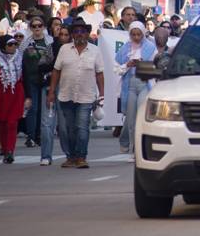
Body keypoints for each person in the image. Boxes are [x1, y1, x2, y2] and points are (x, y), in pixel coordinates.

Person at [47, 17, 105, 168]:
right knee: (67, 130)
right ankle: (70, 156)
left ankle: (81, 157)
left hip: (86, 96)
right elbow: (56, 71)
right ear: (72, 34)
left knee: (82, 127)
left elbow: (99, 74)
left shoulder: (95, 51)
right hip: (66, 95)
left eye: (82, 31)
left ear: (87, 34)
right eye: (76, 31)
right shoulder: (64, 49)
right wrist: (51, 92)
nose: (79, 34)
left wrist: (102, 95)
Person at [0, 35, 32, 163]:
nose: (13, 47)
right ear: (3, 46)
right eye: (10, 44)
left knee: (12, 122)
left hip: (16, 92)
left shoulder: (20, 58)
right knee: (2, 123)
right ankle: (5, 150)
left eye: (14, 44)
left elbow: (26, 78)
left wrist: (28, 96)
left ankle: (10, 150)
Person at [115, 22, 156, 160]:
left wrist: (142, 64)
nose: (136, 37)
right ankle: (132, 148)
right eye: (133, 34)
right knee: (131, 119)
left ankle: (139, 150)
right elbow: (117, 69)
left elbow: (156, 67)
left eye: (139, 34)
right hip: (129, 86)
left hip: (145, 84)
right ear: (130, 34)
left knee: (140, 116)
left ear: (143, 33)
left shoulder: (151, 48)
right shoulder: (125, 49)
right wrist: (128, 64)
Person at [40, 24, 71, 166]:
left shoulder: (74, 50)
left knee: (64, 126)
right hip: (49, 87)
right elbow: (41, 65)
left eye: (66, 35)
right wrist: (54, 67)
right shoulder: (51, 48)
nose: (63, 37)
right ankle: (46, 155)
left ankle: (70, 154)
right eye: (61, 34)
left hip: (66, 89)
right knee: (47, 123)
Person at [22, 15, 54, 148]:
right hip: (30, 79)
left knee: (44, 109)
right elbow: (20, 61)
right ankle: (31, 136)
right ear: (30, 28)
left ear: (43, 27)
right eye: (34, 26)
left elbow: (53, 60)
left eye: (39, 26)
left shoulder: (49, 42)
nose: (37, 28)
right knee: (32, 108)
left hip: (45, 79)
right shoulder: (26, 43)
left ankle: (41, 135)